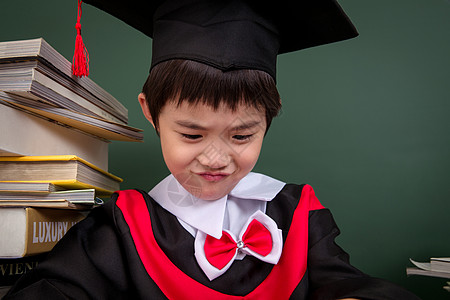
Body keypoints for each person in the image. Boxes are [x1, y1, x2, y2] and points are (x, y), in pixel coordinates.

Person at [5, 0, 420, 299]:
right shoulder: (120, 230)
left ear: (268, 123)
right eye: (191, 135)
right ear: (151, 113)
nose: (216, 158)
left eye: (242, 136)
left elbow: (345, 281)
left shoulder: (299, 215)